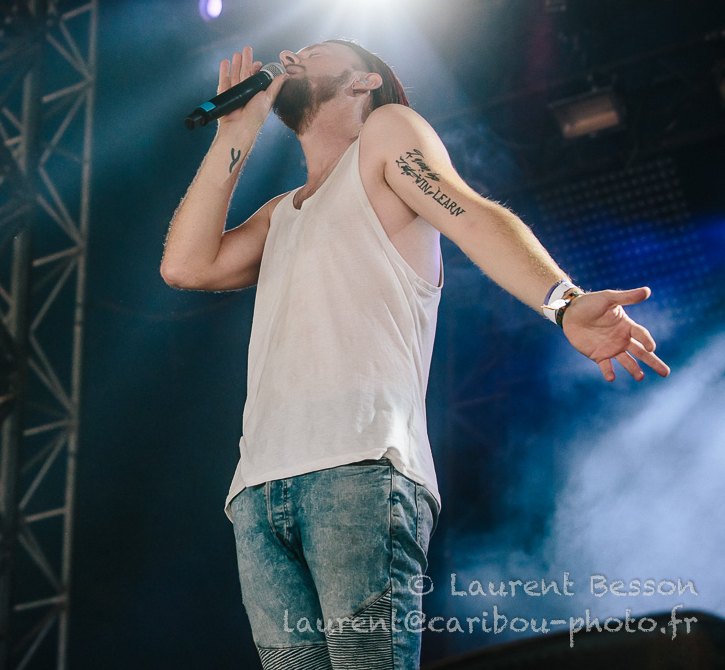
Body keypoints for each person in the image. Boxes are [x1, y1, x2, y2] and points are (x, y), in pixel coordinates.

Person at [159, 40, 671, 670]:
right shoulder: (280, 214)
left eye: (317, 50)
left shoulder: (386, 134)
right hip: (258, 490)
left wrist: (563, 302)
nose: (292, 54)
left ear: (362, 81)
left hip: (359, 470)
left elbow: (471, 214)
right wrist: (235, 132)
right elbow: (185, 265)